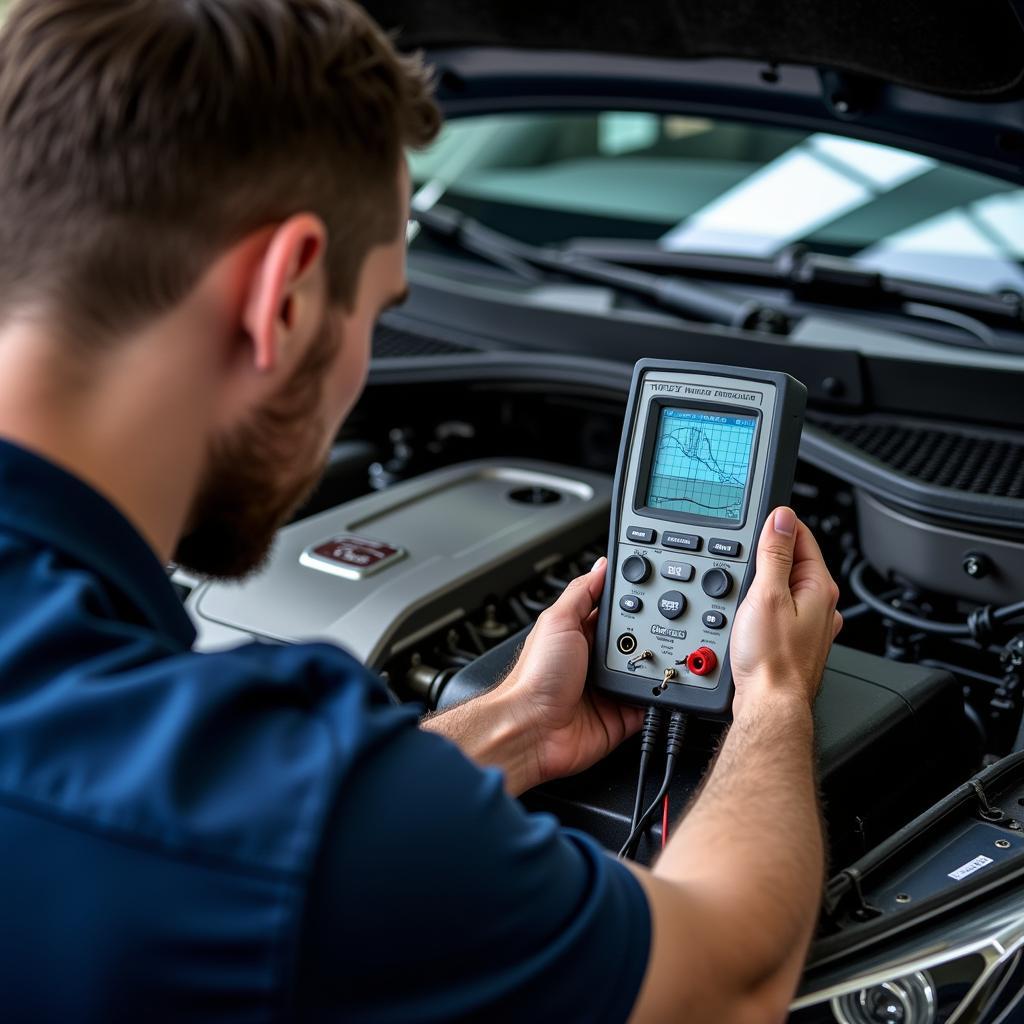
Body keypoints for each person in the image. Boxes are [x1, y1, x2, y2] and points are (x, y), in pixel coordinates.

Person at [0, 1, 843, 1021]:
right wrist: (773, 695)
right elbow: (730, 981)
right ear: (286, 296)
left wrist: (509, 728)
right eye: (383, 309)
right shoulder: (247, 792)